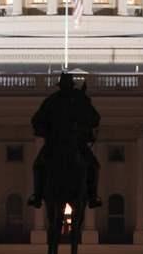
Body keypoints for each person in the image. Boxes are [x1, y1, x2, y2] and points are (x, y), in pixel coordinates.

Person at [29, 71, 102, 208]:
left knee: (38, 166)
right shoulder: (76, 98)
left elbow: (36, 121)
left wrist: (44, 130)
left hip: (56, 143)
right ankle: (92, 196)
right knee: (93, 166)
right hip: (70, 142)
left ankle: (37, 196)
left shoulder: (53, 100)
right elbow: (95, 119)